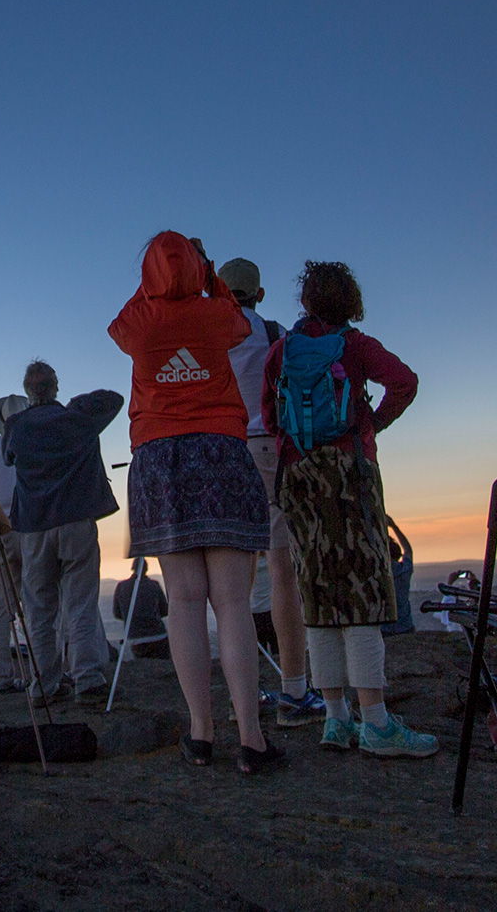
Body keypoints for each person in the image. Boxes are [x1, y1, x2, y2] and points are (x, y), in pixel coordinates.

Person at [108, 232, 282, 774]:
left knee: (184, 602)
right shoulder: (215, 316)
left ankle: (201, 733)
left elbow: (122, 321)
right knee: (233, 603)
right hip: (223, 451)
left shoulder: (140, 323)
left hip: (159, 458)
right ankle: (250, 739)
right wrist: (206, 275)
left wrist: (158, 282)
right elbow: (235, 314)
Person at [261, 260, 434, 759]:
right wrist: (371, 425)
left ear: (306, 302)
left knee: (317, 591)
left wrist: (297, 444)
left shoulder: (282, 352)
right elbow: (405, 382)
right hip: (350, 472)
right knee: (363, 593)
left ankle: (336, 720)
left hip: (298, 478)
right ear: (351, 301)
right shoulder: (356, 346)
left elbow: (271, 414)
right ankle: (376, 723)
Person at [218, 258, 321, 728]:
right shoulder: (274, 332)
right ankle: (294, 691)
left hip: (219, 454)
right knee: (283, 568)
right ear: (258, 295)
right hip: (267, 449)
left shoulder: (206, 335)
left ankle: (245, 689)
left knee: (233, 581)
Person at [3, 359, 124, 704]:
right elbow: (113, 398)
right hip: (76, 521)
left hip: (34, 526)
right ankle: (87, 677)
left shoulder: (16, 425)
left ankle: (44, 684)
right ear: (55, 386)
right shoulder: (77, 418)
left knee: (39, 608)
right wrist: (73, 405)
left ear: (27, 391)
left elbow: (9, 457)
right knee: (80, 601)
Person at [0, 394, 32, 692]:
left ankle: (0, 675)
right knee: (38, 598)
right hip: (28, 523)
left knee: (3, 604)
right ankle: (42, 672)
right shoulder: (33, 442)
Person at [113, 569, 171, 659]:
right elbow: (165, 610)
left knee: (142, 665)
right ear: (146, 569)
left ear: (132, 569)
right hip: (158, 636)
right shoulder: (154, 585)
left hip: (135, 638)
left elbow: (117, 614)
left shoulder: (122, 586)